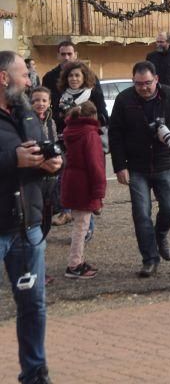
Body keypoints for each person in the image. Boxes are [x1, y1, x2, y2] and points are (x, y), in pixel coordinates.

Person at [1, 51, 61, 384]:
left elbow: (43, 149)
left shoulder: (26, 112)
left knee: (33, 306)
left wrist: (53, 163)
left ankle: (35, 373)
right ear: (3, 78)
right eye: (24, 75)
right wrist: (13, 159)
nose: (29, 81)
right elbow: (16, 158)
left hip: (28, 225)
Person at [109, 61, 170, 278]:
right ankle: (150, 259)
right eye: (138, 84)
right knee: (141, 214)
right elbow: (115, 135)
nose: (143, 88)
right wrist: (119, 167)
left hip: (165, 163)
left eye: (147, 83)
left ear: (156, 79)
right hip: (137, 167)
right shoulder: (124, 99)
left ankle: (160, 234)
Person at [60, 101, 106, 280]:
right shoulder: (90, 134)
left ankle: (77, 261)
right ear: (93, 116)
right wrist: (99, 192)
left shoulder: (71, 131)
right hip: (84, 183)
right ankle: (74, 264)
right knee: (82, 226)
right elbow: (96, 165)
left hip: (72, 180)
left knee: (80, 223)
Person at [54, 60, 107, 136]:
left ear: (84, 77)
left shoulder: (93, 93)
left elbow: (103, 117)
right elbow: (56, 120)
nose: (74, 78)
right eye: (70, 75)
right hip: (68, 137)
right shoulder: (61, 95)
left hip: (89, 136)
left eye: (77, 75)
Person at [41, 40, 77, 127]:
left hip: (82, 125)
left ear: (75, 55)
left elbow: (99, 105)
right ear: (58, 56)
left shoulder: (88, 76)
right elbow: (45, 103)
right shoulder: (49, 77)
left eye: (69, 54)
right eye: (63, 54)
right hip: (58, 126)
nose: (66, 57)